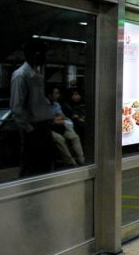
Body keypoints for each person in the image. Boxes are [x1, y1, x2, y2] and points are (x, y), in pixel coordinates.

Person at [10, 39, 55, 177]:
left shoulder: (37, 75)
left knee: (44, 165)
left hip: (43, 125)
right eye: (42, 54)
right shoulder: (21, 75)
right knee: (30, 165)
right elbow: (17, 107)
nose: (44, 57)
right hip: (33, 128)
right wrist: (29, 129)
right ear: (33, 54)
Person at [47, 86, 85, 167]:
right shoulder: (44, 105)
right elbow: (48, 121)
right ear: (50, 95)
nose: (58, 95)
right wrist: (55, 120)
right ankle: (71, 163)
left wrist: (55, 119)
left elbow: (62, 116)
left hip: (60, 127)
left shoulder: (56, 104)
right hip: (49, 129)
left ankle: (82, 161)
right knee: (60, 140)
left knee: (75, 137)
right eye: (56, 93)